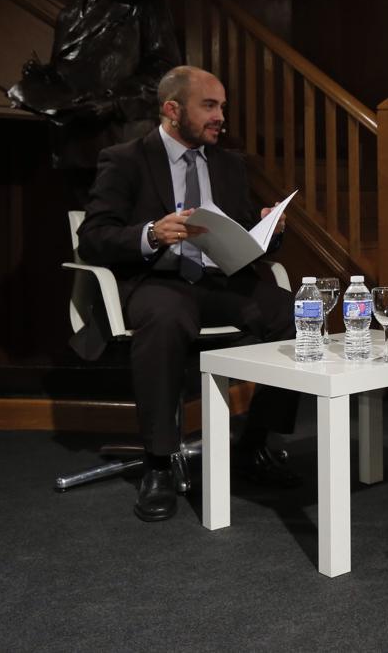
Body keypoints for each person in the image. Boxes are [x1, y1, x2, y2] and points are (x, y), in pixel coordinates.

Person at [77, 66, 303, 522]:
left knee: (294, 312)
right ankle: (158, 464)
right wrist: (150, 233)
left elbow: (241, 233)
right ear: (172, 109)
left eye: (223, 106)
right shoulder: (125, 159)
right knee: (166, 317)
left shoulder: (228, 163)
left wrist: (268, 230)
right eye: (210, 106)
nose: (221, 116)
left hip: (218, 282)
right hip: (157, 281)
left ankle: (255, 443)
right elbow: (93, 237)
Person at [9, 0, 182, 205]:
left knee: (124, 235)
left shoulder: (143, 5)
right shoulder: (68, 15)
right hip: (73, 144)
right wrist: (42, 79)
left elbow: (165, 73)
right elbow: (68, 73)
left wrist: (114, 102)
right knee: (82, 234)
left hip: (123, 140)